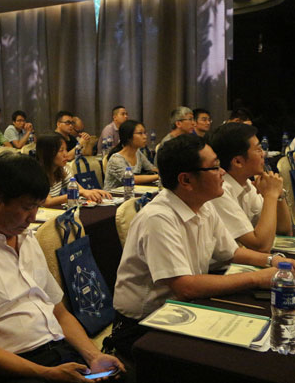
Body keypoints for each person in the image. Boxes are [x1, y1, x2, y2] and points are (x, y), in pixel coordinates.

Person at [0, 153, 125, 383]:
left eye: (37, 207)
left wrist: (93, 356)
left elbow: (59, 312)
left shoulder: (27, 239)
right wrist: (46, 373)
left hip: (58, 350)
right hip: (13, 367)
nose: (33, 217)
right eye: (27, 207)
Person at [109, 134, 295, 358]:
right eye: (214, 167)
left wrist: (276, 261)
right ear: (186, 180)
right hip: (144, 326)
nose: (222, 172)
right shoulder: (157, 218)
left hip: (186, 308)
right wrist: (258, 278)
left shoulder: (203, 205)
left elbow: (232, 252)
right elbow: (185, 286)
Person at [208, 123, 292, 252]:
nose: (263, 154)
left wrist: (279, 195)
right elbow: (261, 245)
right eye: (258, 150)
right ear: (238, 162)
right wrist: (270, 195)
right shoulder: (220, 191)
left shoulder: (246, 184)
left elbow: (284, 230)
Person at [36, 133, 111, 204]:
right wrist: (80, 193)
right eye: (61, 151)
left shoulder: (62, 169)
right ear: (48, 153)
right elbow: (47, 202)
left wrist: (93, 191)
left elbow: (79, 189)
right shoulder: (38, 173)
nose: (66, 154)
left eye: (66, 150)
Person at [103, 120, 158, 190]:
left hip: (133, 191)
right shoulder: (116, 159)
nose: (145, 137)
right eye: (140, 133)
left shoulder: (137, 153)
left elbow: (152, 168)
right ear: (128, 137)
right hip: (113, 195)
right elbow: (131, 179)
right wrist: (159, 176)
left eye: (145, 133)